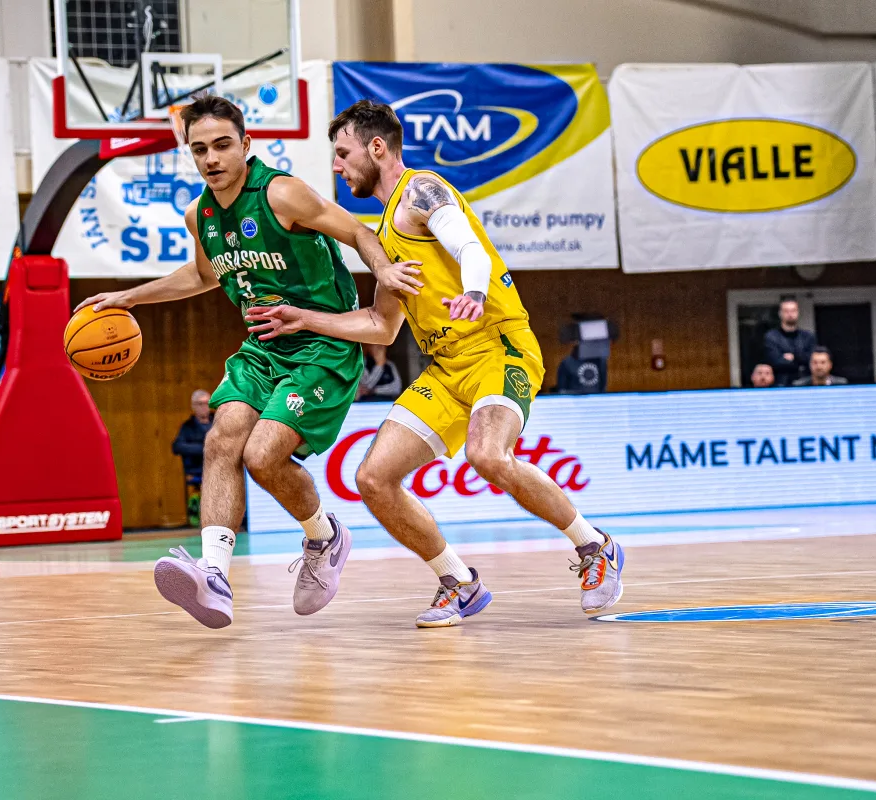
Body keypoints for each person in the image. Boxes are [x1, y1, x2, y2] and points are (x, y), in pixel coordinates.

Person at [248, 100, 624, 627]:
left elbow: (469, 246)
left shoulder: (422, 190)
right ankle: (458, 582)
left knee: (487, 455)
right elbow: (381, 327)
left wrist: (473, 290)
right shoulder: (381, 238)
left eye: (342, 152)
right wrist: (303, 319)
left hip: (498, 346)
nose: (337, 166)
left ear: (376, 148)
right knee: (373, 478)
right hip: (446, 369)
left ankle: (594, 547)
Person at [77, 96, 420, 630]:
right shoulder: (200, 213)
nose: (211, 158)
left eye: (221, 146)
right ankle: (214, 576)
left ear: (245, 146)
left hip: (321, 345)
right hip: (262, 349)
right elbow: (203, 277)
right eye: (199, 150)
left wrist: (384, 273)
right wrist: (131, 297)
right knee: (222, 437)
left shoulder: (281, 193)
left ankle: (324, 537)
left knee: (263, 456)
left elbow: (359, 231)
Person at [173, 389, 214, 526]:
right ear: (193, 406)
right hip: (197, 469)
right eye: (200, 404)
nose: (204, 407)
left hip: (218, 467)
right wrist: (204, 449)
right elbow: (177, 446)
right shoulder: (187, 427)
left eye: (207, 403)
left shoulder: (218, 421)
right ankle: (197, 509)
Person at [763, 297, 817, 386]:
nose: (790, 314)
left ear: (798, 312)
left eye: (793, 310)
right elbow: (775, 361)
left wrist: (794, 357)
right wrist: (800, 360)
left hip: (806, 384)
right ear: (780, 313)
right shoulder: (772, 337)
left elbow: (811, 360)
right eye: (786, 311)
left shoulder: (808, 337)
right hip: (780, 384)